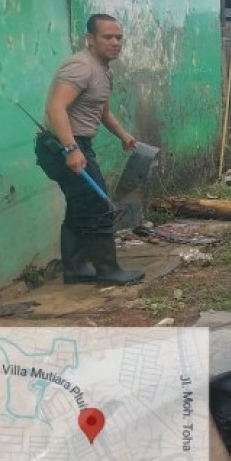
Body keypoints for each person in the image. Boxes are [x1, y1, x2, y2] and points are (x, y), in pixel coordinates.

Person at [35, 14, 145, 285]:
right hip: (62, 146)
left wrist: (123, 135)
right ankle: (108, 271)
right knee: (98, 205)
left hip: (77, 144)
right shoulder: (81, 67)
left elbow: (102, 112)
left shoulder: (103, 70)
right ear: (90, 39)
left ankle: (75, 269)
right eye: (107, 37)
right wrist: (71, 148)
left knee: (79, 206)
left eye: (118, 37)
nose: (115, 42)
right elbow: (55, 107)